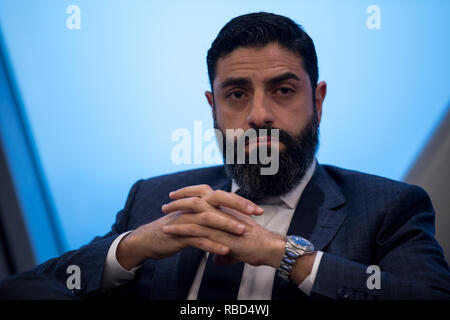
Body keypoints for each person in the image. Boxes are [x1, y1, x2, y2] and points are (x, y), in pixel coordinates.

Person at [1, 12, 449, 300]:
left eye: (283, 91)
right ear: (213, 107)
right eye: (236, 94)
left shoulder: (389, 207)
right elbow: (30, 290)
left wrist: (284, 255)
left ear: (318, 100)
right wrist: (134, 247)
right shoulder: (152, 198)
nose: (258, 115)